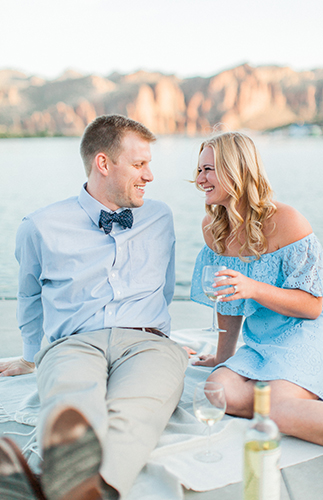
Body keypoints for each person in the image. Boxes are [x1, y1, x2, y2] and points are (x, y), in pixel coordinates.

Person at [0, 114, 188, 500]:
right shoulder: (39, 225)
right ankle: (80, 488)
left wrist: (163, 341)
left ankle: (75, 487)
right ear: (103, 163)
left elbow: (165, 288)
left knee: (136, 410)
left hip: (147, 341)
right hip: (74, 341)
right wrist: (32, 355)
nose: (149, 175)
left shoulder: (161, 217)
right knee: (71, 404)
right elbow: (29, 296)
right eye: (139, 164)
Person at [190, 131, 323, 446]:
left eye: (208, 169)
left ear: (236, 170)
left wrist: (254, 288)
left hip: (306, 332)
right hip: (261, 341)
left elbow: (314, 306)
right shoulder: (213, 228)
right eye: (199, 170)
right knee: (217, 391)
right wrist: (223, 357)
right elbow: (228, 301)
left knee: (277, 412)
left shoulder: (287, 221)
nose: (200, 179)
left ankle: (286, 402)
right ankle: (292, 399)